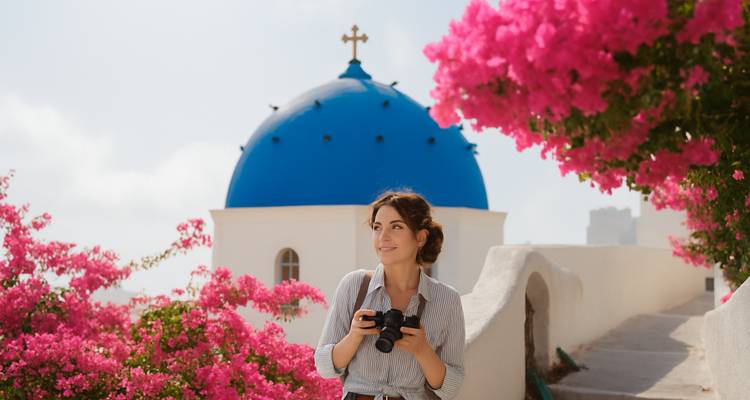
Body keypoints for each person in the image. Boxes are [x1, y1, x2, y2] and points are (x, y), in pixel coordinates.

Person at [314, 191, 465, 400]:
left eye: (396, 227)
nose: (383, 237)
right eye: (377, 227)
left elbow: (452, 387)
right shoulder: (354, 286)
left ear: (420, 237)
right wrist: (354, 336)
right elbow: (324, 366)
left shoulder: (447, 300)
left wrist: (422, 351)